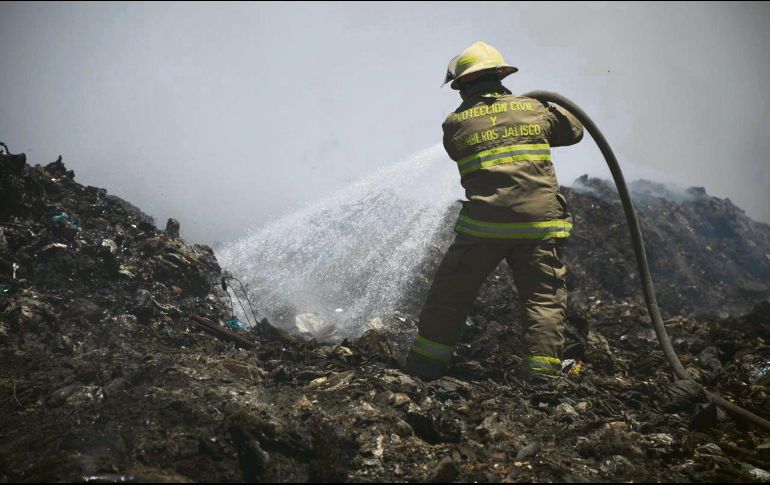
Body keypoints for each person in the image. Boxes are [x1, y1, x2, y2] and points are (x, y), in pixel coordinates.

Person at [405, 41, 583, 382]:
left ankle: (424, 368)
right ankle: (542, 378)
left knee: (451, 293)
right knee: (544, 299)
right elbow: (573, 131)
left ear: (463, 86)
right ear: (501, 76)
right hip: (539, 224)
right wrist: (545, 106)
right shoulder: (533, 108)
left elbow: (458, 150)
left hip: (485, 227)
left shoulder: (455, 124)